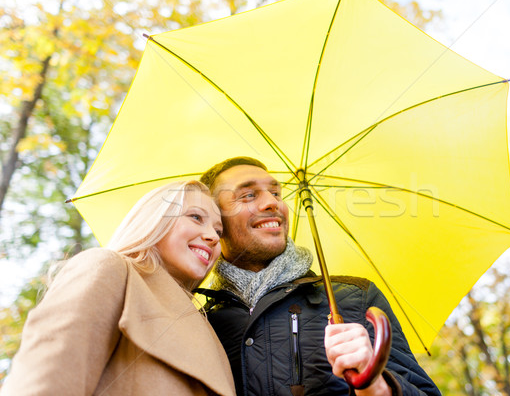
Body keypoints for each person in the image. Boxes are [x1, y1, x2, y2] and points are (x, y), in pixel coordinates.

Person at [196, 157, 441, 396]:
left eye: (276, 193)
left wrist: (375, 383)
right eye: (248, 195)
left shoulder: (355, 298)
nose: (273, 203)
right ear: (215, 222)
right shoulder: (200, 323)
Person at [1, 180, 236, 396]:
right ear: (155, 219)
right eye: (196, 217)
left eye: (218, 231)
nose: (212, 237)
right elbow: (47, 377)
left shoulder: (208, 327)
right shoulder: (109, 268)